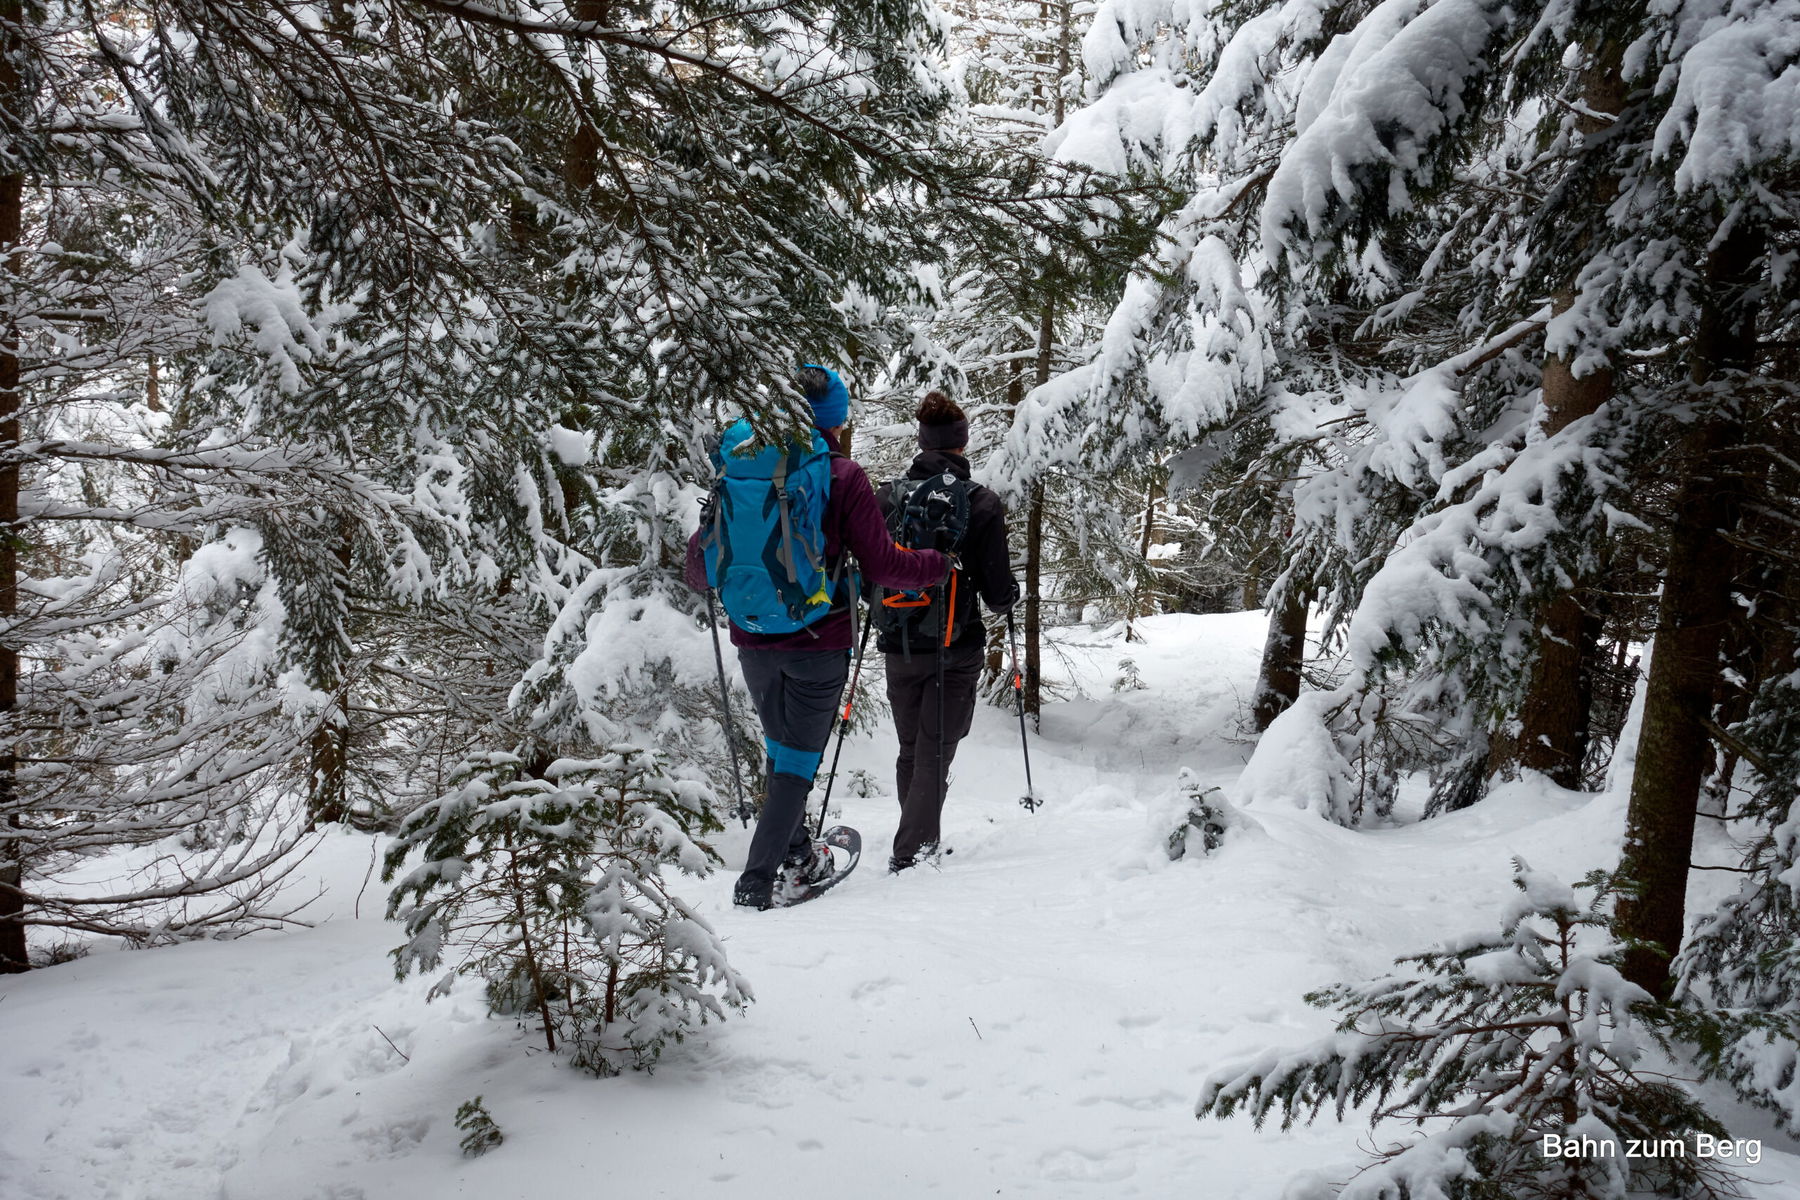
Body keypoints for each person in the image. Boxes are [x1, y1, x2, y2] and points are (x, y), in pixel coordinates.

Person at [686, 365, 948, 910]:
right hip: (817, 640)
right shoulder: (842, 475)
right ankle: (757, 881)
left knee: (782, 753)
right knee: (797, 762)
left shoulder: (740, 468)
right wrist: (935, 566)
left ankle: (801, 856)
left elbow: (699, 565)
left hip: (752, 635)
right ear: (836, 420)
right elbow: (882, 564)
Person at [875, 391, 1017, 873]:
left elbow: (870, 571)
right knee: (936, 751)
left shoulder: (887, 496)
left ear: (922, 441)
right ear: (962, 444)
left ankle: (919, 838)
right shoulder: (980, 502)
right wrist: (1009, 596)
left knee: (913, 749)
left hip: (898, 642)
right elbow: (998, 594)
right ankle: (910, 851)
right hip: (956, 646)